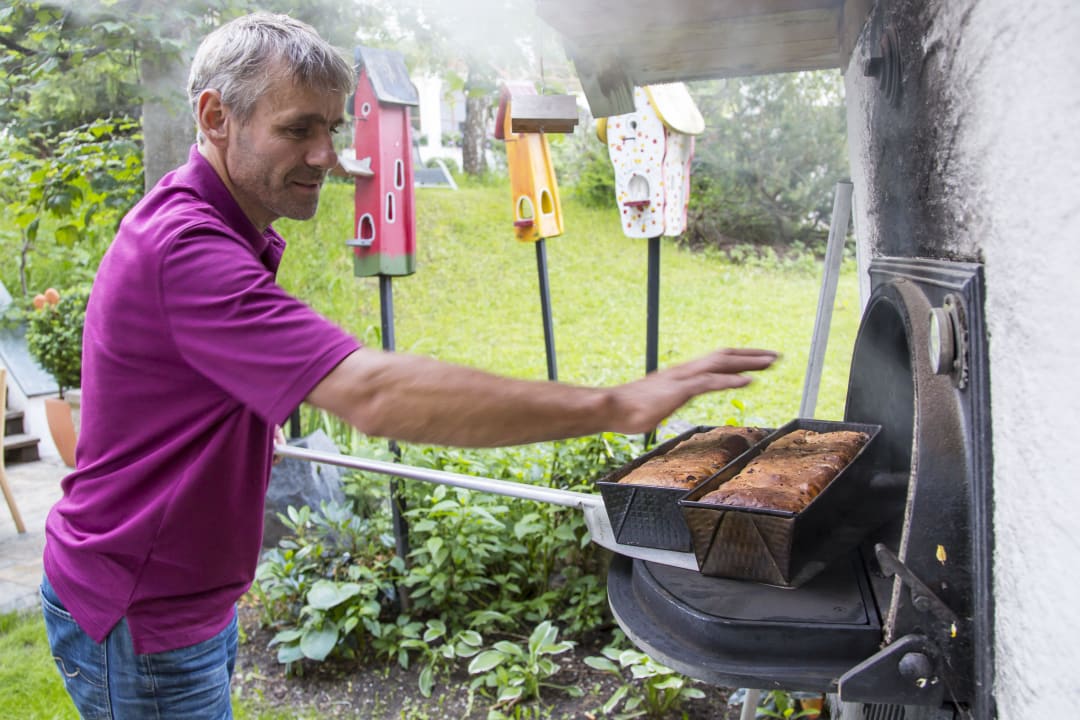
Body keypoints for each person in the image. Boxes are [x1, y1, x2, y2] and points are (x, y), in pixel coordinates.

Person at [40, 12, 777, 719]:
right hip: (141, 614)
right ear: (214, 118)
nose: (327, 155)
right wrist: (612, 405)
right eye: (298, 129)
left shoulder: (218, 230)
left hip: (177, 601)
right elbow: (370, 392)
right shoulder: (188, 251)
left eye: (330, 128)